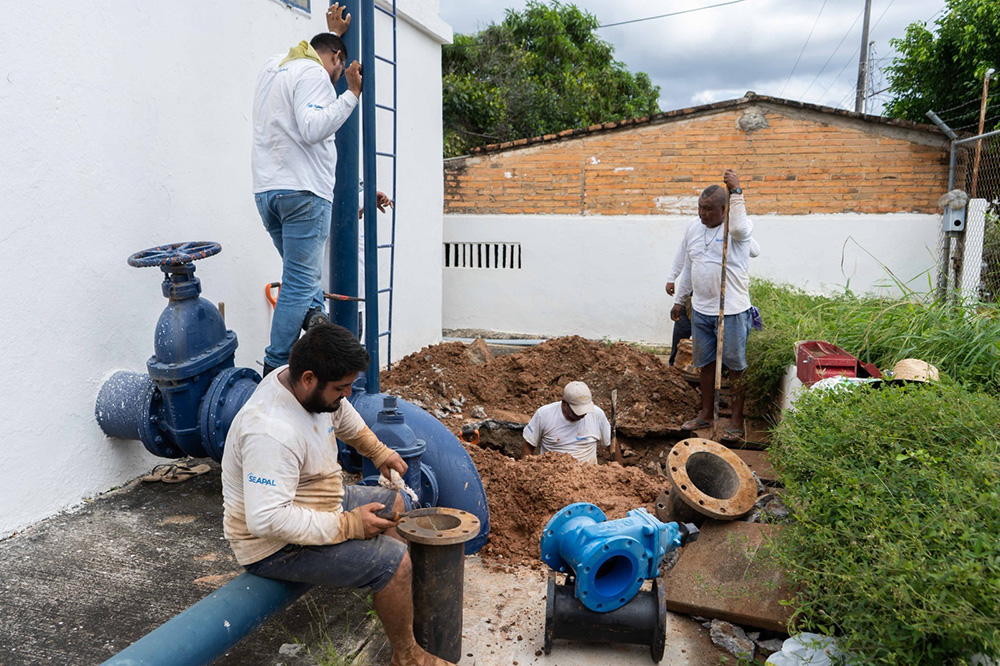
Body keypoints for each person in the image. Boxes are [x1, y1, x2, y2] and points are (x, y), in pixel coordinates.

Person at [221, 323, 453, 666]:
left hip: (316, 500)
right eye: (340, 388)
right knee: (394, 562)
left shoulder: (301, 383)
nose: (345, 395)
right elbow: (266, 519)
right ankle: (407, 656)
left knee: (395, 504)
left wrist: (378, 451)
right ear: (309, 379)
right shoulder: (270, 430)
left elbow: (340, 413)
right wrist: (349, 526)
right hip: (274, 545)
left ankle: (393, 605)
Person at [252, 3, 361, 376]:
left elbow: (312, 52)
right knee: (299, 282)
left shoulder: (274, 67)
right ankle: (275, 367)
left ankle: (315, 317)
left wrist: (333, 37)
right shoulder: (315, 72)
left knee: (302, 275)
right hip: (304, 193)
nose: (335, 78)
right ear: (335, 59)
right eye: (338, 70)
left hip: (267, 192)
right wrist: (350, 94)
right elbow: (314, 127)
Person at [671, 169, 755, 443]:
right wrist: (680, 300)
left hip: (731, 310)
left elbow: (740, 228)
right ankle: (706, 414)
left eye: (708, 209)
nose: (702, 213)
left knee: (735, 366)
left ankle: (736, 421)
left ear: (723, 209)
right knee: (705, 363)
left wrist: (737, 192)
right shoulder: (693, 228)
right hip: (702, 310)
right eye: (700, 207)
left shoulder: (737, 228)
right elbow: (689, 265)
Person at [521, 382, 613, 465]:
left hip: (588, 474)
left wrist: (618, 470)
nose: (583, 414)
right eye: (578, 411)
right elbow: (528, 446)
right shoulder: (544, 415)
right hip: (554, 474)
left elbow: (612, 443)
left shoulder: (597, 415)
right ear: (564, 403)